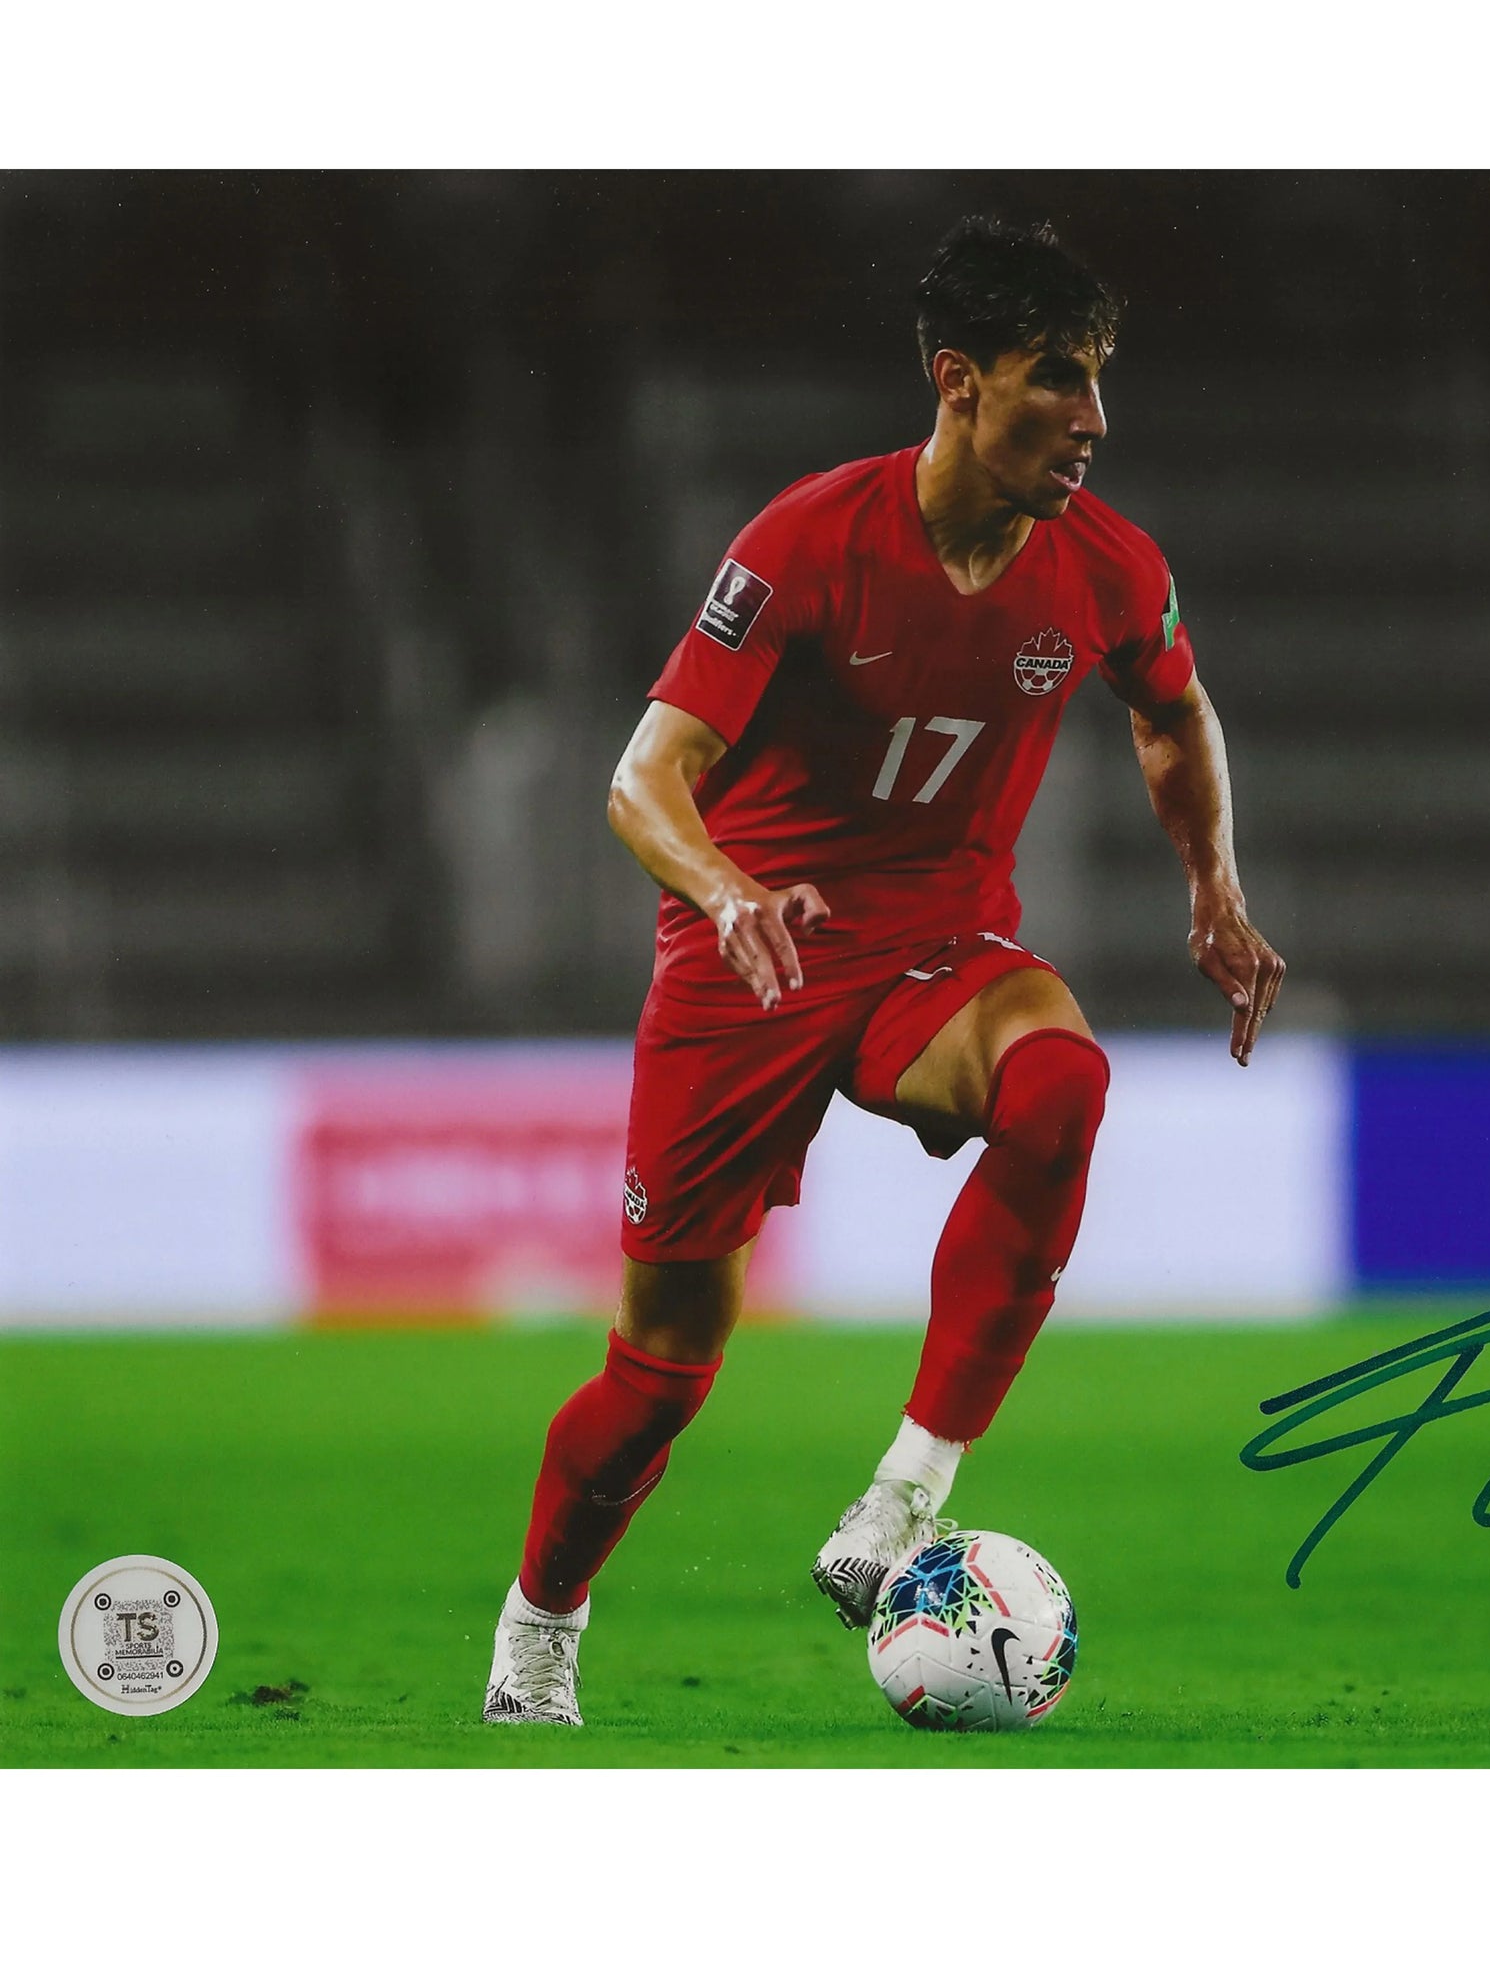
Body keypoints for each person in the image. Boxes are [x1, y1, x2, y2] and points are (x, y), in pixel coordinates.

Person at [484, 215, 1285, 1725]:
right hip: (753, 959)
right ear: (958, 382)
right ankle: (540, 1628)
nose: (1096, 420)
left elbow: (1174, 714)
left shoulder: (1106, 568)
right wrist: (722, 890)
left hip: (936, 944)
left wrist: (1214, 888)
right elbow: (644, 778)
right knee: (661, 1371)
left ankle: (907, 1498)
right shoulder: (807, 542)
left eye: (1104, 379)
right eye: (1061, 380)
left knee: (1062, 1084)